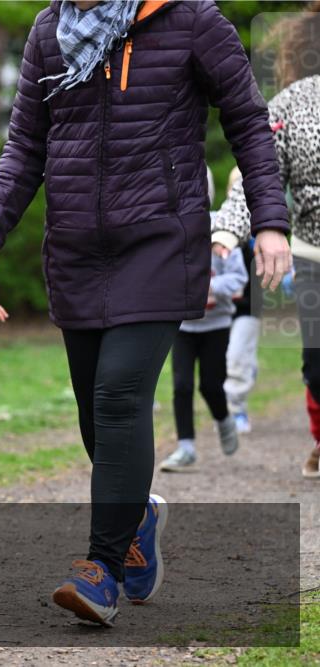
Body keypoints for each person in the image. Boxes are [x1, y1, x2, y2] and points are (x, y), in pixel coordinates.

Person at [0, 0, 291, 626]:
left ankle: (101, 571)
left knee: (118, 398)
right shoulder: (47, 32)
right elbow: (26, 143)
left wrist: (269, 222)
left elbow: (249, 122)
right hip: (78, 249)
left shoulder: (192, 19)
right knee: (95, 412)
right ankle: (135, 515)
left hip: (162, 243)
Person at [212, 3, 320, 479]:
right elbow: (260, 176)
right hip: (313, 252)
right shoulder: (293, 104)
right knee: (317, 365)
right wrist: (227, 228)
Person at [160, 221, 248, 472]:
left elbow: (239, 277)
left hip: (216, 326)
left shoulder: (223, 232)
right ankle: (185, 447)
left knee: (211, 386)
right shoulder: (175, 230)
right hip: (183, 327)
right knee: (182, 385)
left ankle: (223, 420)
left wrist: (209, 286)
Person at [221, 168, 261, 435]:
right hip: (223, 307)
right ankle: (249, 368)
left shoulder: (263, 225)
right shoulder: (221, 225)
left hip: (249, 306)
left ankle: (237, 410)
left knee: (236, 357)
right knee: (229, 358)